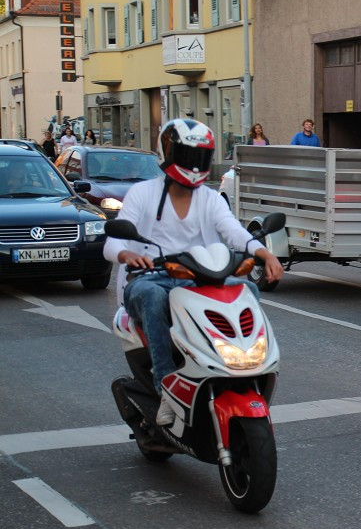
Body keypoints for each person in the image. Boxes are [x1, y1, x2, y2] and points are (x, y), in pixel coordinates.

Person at [104, 119, 284, 426]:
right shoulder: (142, 193)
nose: (194, 164)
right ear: (168, 153)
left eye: (201, 157)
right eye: (188, 156)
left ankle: (242, 369)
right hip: (150, 278)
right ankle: (165, 391)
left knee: (248, 291)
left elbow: (233, 232)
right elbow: (113, 243)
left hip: (201, 279)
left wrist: (264, 252)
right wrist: (127, 254)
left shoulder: (211, 198)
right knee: (153, 298)